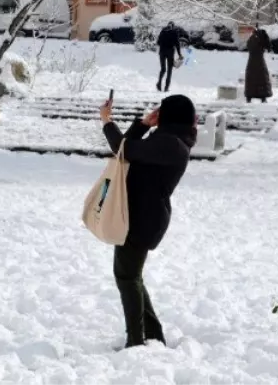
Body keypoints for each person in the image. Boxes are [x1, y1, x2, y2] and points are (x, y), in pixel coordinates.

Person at [99, 93, 197, 349]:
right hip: (141, 216)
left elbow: (121, 147)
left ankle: (136, 341)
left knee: (126, 276)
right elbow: (126, 153)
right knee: (132, 275)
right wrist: (143, 125)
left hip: (143, 219)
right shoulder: (170, 141)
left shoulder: (171, 145)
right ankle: (153, 336)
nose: (157, 113)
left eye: (161, 111)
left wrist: (106, 120)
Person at [244, 27, 273, 104]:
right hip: (260, 61)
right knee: (262, 78)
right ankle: (263, 97)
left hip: (252, 62)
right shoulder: (262, 37)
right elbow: (269, 46)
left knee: (251, 79)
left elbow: (248, 46)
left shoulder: (252, 38)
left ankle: (249, 97)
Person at [155, 22, 183, 92]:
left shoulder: (163, 31)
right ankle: (166, 88)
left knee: (163, 69)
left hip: (162, 52)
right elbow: (177, 44)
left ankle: (159, 84)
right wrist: (179, 54)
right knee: (169, 71)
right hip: (170, 53)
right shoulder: (174, 32)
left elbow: (158, 42)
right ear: (173, 26)